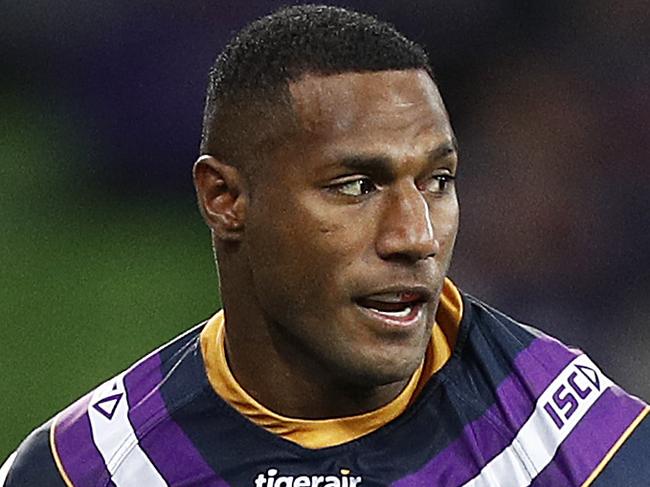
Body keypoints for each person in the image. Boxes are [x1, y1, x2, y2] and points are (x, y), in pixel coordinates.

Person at [1, 5, 648, 486]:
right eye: (355, 184)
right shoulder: (84, 468)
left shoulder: (584, 451)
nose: (414, 235)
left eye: (436, 181)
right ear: (225, 199)